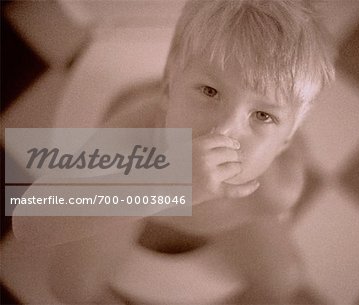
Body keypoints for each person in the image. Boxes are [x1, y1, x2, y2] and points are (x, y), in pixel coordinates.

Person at [12, 0, 334, 303]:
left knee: (286, 279)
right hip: (132, 190)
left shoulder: (277, 188)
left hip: (227, 212)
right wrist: (162, 185)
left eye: (263, 115)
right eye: (210, 91)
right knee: (70, 287)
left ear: (284, 141)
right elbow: (28, 222)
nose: (225, 130)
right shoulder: (133, 140)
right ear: (168, 89)